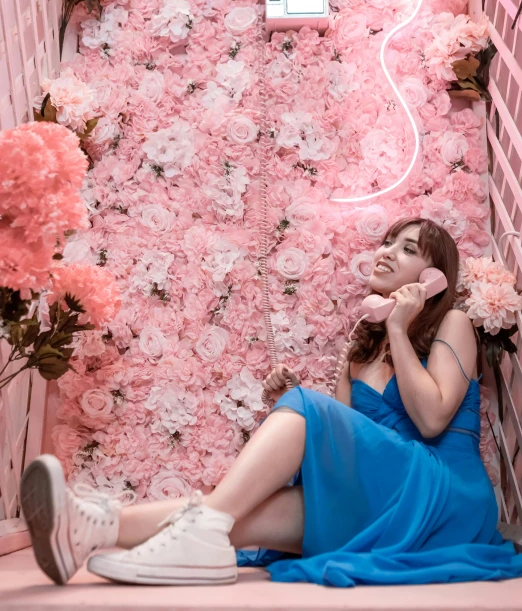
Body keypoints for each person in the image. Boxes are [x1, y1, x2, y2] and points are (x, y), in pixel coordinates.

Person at [20, 217, 522, 587]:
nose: (387, 251)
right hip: (382, 494)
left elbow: (433, 418)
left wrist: (396, 324)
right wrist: (297, 410)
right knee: (237, 521)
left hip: (443, 494)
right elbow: (352, 448)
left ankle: (180, 531)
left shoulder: (453, 324)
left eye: (408, 248)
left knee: (294, 421)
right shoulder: (360, 349)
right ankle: (90, 529)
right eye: (387, 241)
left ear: (435, 277)